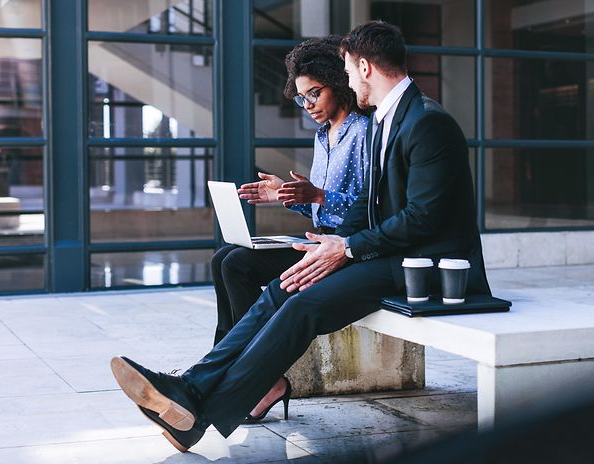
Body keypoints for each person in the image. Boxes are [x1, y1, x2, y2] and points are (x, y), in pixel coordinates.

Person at [109, 20, 491, 453]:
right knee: (280, 288)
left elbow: (422, 219)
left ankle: (197, 412)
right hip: (386, 251)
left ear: (363, 67)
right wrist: (321, 232)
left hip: (425, 266)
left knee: (301, 303)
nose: (344, 80)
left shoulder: (424, 122)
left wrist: (345, 246)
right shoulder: (392, 119)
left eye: (345, 71)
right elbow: (380, 210)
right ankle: (192, 391)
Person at [211, 35, 368, 346]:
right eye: (301, 98)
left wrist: (317, 195)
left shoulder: (363, 133)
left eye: (314, 94)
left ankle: (243, 355)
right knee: (222, 258)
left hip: (345, 249)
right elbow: (316, 200)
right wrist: (285, 194)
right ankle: (222, 351)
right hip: (317, 238)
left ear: (338, 83)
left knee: (236, 264)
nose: (307, 105)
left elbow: (371, 208)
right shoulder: (322, 136)